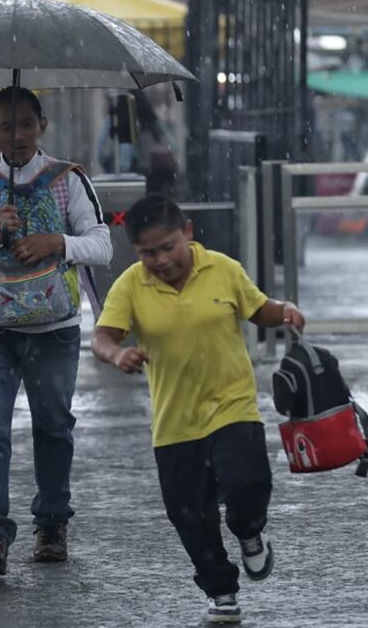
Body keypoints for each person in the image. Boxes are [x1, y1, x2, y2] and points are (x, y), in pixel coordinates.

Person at [90, 195, 306, 624]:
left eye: (168, 246)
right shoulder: (132, 284)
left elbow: (257, 308)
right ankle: (221, 590)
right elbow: (102, 337)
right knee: (190, 514)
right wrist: (117, 355)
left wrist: (284, 311)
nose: (161, 260)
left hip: (233, 405)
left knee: (247, 484)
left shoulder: (223, 269)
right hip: (175, 423)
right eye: (148, 253)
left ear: (187, 232)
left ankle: (248, 532)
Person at [0, 86, 112, 575]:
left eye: (27, 124)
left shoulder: (68, 179)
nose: (18, 136)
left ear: (43, 126)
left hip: (56, 329)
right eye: (6, 126)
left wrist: (57, 241)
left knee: (54, 427)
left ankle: (52, 524)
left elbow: (102, 244)